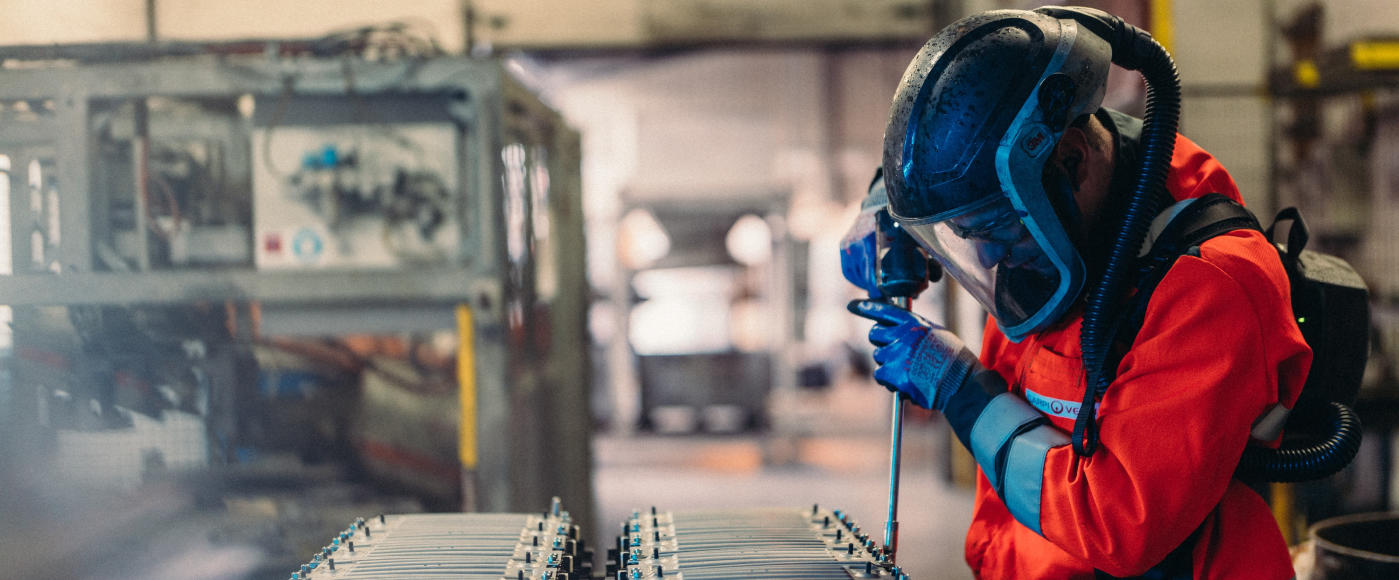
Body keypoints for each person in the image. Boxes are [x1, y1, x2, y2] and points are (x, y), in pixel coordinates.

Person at [842, 8, 1310, 579]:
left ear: (1070, 158)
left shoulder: (1210, 287)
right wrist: (884, 204)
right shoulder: (1050, 226)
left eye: (992, 228)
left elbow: (1115, 524)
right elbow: (965, 152)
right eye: (966, 235)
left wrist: (961, 390)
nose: (987, 258)